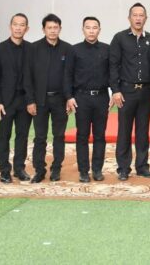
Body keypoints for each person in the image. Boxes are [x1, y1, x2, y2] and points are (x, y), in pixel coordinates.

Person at [109, 3, 150, 180]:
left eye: (141, 15)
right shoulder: (119, 38)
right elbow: (113, 66)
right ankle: (123, 168)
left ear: (146, 18)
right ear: (129, 18)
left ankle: (142, 166)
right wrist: (115, 90)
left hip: (145, 91)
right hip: (126, 91)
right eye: (135, 15)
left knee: (143, 131)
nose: (138, 18)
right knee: (124, 130)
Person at [24, 13, 72, 183]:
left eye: (55, 27)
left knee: (59, 136)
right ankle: (39, 170)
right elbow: (27, 77)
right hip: (39, 101)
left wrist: (69, 98)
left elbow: (70, 76)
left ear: (60, 29)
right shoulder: (33, 48)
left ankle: (56, 169)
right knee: (40, 137)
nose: (52, 31)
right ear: (43, 29)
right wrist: (30, 100)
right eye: (49, 27)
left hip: (60, 100)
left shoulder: (67, 49)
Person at [65, 17, 110, 183]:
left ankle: (97, 170)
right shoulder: (74, 50)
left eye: (94, 27)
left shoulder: (107, 49)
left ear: (99, 30)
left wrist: (116, 92)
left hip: (101, 97)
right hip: (81, 98)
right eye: (88, 27)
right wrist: (69, 97)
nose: (91, 31)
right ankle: (83, 171)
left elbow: (113, 73)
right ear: (83, 30)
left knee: (100, 135)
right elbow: (67, 75)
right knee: (82, 135)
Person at [0, 13, 33, 183]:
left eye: (22, 25)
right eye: (15, 24)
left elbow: (34, 77)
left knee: (22, 135)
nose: (18, 28)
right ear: (10, 27)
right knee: (4, 136)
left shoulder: (31, 49)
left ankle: (19, 168)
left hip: (25, 99)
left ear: (27, 29)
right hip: (6, 101)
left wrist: (32, 100)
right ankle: (4, 170)